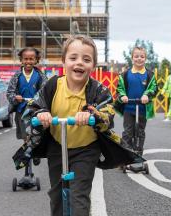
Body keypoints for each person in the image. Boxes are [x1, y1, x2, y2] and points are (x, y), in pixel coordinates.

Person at [15, 35, 143, 216]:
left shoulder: (98, 89)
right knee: (57, 193)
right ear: (64, 61)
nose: (79, 63)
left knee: (79, 195)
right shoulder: (52, 85)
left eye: (86, 59)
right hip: (57, 146)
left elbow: (108, 113)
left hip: (86, 149)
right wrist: (40, 114)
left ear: (93, 65)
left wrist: (93, 115)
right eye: (73, 58)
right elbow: (33, 107)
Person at [115, 46, 158, 156]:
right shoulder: (125, 74)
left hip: (142, 108)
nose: (139, 59)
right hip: (129, 108)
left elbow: (154, 88)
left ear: (145, 58)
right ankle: (126, 155)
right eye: (136, 56)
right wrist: (123, 96)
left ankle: (138, 154)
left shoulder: (149, 75)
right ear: (132, 58)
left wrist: (147, 95)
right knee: (128, 132)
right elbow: (119, 89)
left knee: (140, 131)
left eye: (142, 56)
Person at [6, 47, 47, 141]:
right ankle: (28, 153)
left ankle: (33, 153)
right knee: (26, 136)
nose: (28, 61)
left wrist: (38, 100)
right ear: (21, 60)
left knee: (36, 135)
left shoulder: (41, 76)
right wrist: (15, 98)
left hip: (36, 111)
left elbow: (45, 92)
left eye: (31, 59)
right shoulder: (16, 76)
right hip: (21, 112)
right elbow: (9, 93)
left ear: (36, 60)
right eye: (26, 59)